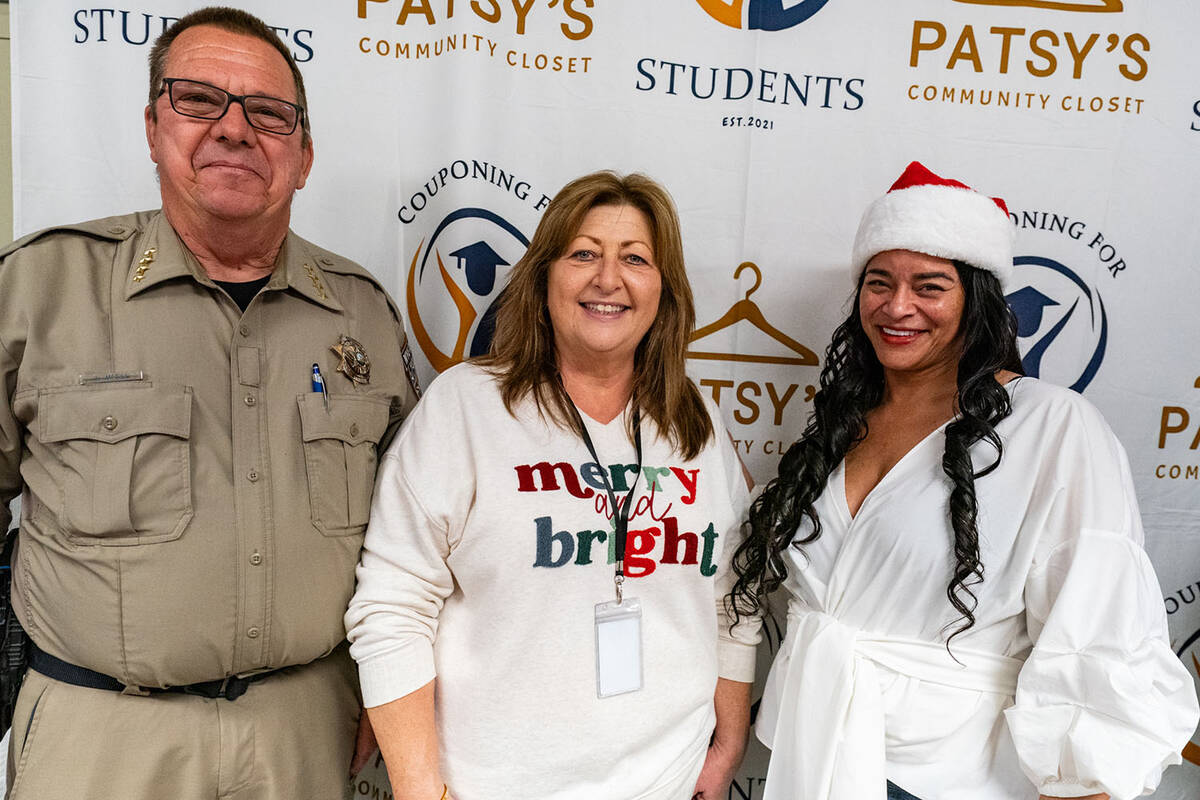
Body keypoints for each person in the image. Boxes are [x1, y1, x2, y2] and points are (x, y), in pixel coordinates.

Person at [0, 7, 419, 798]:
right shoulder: (39, 289)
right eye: (199, 100)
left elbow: (414, 538)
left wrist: (393, 687)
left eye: (268, 113)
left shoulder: (361, 313)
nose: (233, 129)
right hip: (101, 738)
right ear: (153, 126)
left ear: (303, 156)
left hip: (308, 734)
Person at [729, 162, 1199, 800]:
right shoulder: (842, 423)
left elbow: (1100, 624)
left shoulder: (1050, 425)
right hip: (811, 753)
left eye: (930, 286)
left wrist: (1083, 777)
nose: (897, 306)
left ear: (977, 300)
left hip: (943, 776)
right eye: (878, 282)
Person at [346, 171, 760, 800]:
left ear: (664, 290)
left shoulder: (694, 418)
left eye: (636, 259)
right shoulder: (466, 407)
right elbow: (392, 606)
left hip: (667, 781)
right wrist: (418, 787)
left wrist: (728, 741)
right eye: (584, 254)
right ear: (543, 279)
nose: (608, 279)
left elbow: (733, 593)